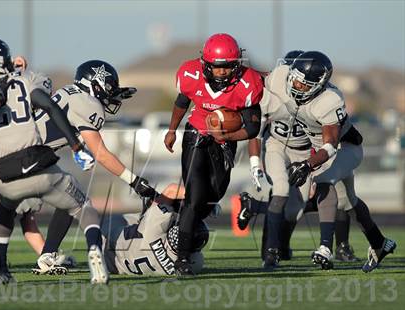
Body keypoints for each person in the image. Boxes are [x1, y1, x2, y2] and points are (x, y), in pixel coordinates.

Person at [0, 37, 105, 284]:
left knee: (3, 214)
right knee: (83, 207)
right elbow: (50, 104)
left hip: (5, 175)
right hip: (39, 165)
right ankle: (95, 248)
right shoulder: (27, 80)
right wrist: (76, 146)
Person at [265, 50, 395, 271]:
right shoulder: (280, 75)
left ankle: (325, 247)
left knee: (325, 180)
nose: (296, 86)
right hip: (319, 149)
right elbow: (258, 80)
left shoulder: (329, 100)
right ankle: (380, 243)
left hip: (343, 148)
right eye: (294, 80)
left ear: (319, 85)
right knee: (348, 202)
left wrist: (307, 165)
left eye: (303, 85)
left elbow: (330, 145)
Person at [26, 59, 156, 274]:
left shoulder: (70, 92)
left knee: (59, 200)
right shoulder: (88, 103)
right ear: (94, 84)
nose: (111, 94)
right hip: (31, 158)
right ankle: (59, 253)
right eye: (108, 88)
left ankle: (46, 254)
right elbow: (102, 154)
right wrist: (134, 181)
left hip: (22, 154)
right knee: (76, 200)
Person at [164, 33, 263, 275]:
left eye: (229, 66)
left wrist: (226, 136)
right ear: (206, 64)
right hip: (196, 134)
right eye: (218, 67)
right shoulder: (191, 74)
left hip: (224, 142)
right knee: (195, 195)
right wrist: (172, 130)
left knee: (215, 192)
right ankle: (182, 258)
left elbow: (252, 128)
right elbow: (181, 101)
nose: (223, 72)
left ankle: (187, 220)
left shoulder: (248, 83)